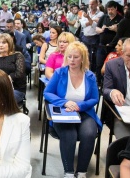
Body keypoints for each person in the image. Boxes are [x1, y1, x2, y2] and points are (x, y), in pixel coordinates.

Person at [44, 41, 102, 178]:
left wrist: (80, 106)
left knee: (89, 134)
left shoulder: (90, 76)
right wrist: (64, 103)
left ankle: (82, 172)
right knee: (69, 135)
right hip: (64, 112)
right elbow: (47, 93)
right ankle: (69, 172)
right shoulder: (59, 73)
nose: (72, 60)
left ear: (83, 58)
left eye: (76, 57)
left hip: (85, 112)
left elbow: (95, 98)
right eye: (69, 56)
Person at [0, 33, 26, 104]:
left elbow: (19, 73)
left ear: (10, 44)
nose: (0, 45)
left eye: (4, 42)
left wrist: (5, 79)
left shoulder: (17, 56)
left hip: (15, 89)